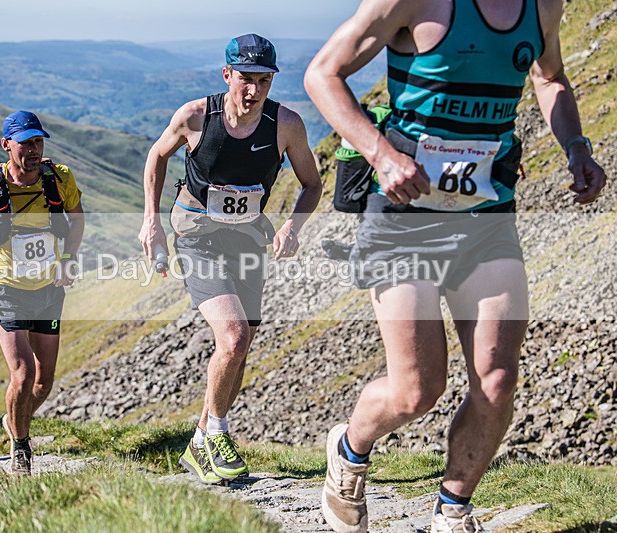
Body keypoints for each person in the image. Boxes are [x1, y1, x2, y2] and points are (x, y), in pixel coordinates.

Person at [304, 0, 607, 531]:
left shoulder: (544, 7)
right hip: (405, 220)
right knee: (416, 391)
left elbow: (551, 76)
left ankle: (452, 510)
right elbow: (322, 74)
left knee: (496, 380)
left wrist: (576, 148)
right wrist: (380, 154)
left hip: (486, 219)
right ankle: (349, 451)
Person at [138, 34, 322, 484]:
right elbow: (156, 157)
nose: (254, 90)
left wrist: (292, 227)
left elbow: (312, 184)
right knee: (234, 337)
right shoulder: (196, 116)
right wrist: (151, 221)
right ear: (227, 76)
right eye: (245, 79)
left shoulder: (286, 126)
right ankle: (218, 434)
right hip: (198, 237)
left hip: (248, 242)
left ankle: (199, 443)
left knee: (238, 350)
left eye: (264, 80)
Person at [0, 110, 84, 476]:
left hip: (48, 289)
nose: (33, 149)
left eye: (38, 141)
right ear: (6, 145)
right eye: (25, 142)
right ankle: (21, 448)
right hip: (6, 289)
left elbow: (76, 217)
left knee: (44, 381)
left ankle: (13, 420)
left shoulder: (59, 179)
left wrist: (68, 258)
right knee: (23, 373)